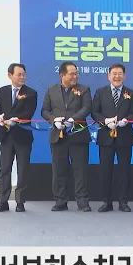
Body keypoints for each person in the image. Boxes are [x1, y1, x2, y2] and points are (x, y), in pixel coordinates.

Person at [40, 61, 93, 212]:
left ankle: (82, 201)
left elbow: (87, 108)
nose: (75, 76)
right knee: (59, 170)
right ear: (62, 75)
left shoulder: (84, 89)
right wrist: (54, 120)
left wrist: (73, 120)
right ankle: (60, 201)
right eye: (71, 74)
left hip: (78, 135)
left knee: (80, 171)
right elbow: (44, 110)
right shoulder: (51, 90)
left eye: (76, 74)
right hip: (58, 135)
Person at [91, 63, 133, 213]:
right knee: (105, 170)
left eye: (120, 74)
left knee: (124, 171)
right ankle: (106, 201)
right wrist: (105, 121)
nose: (117, 76)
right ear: (108, 76)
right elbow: (94, 112)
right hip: (106, 136)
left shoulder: (131, 93)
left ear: (125, 76)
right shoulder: (100, 92)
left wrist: (126, 120)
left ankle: (123, 201)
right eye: (114, 74)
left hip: (125, 137)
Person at [0, 63, 38, 213]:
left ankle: (20, 201)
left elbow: (28, 113)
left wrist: (16, 119)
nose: (22, 77)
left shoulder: (31, 93)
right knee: (5, 169)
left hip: (22, 136)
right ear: (10, 75)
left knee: (22, 170)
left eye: (24, 74)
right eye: (19, 74)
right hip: (6, 136)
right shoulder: (2, 91)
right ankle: (2, 201)